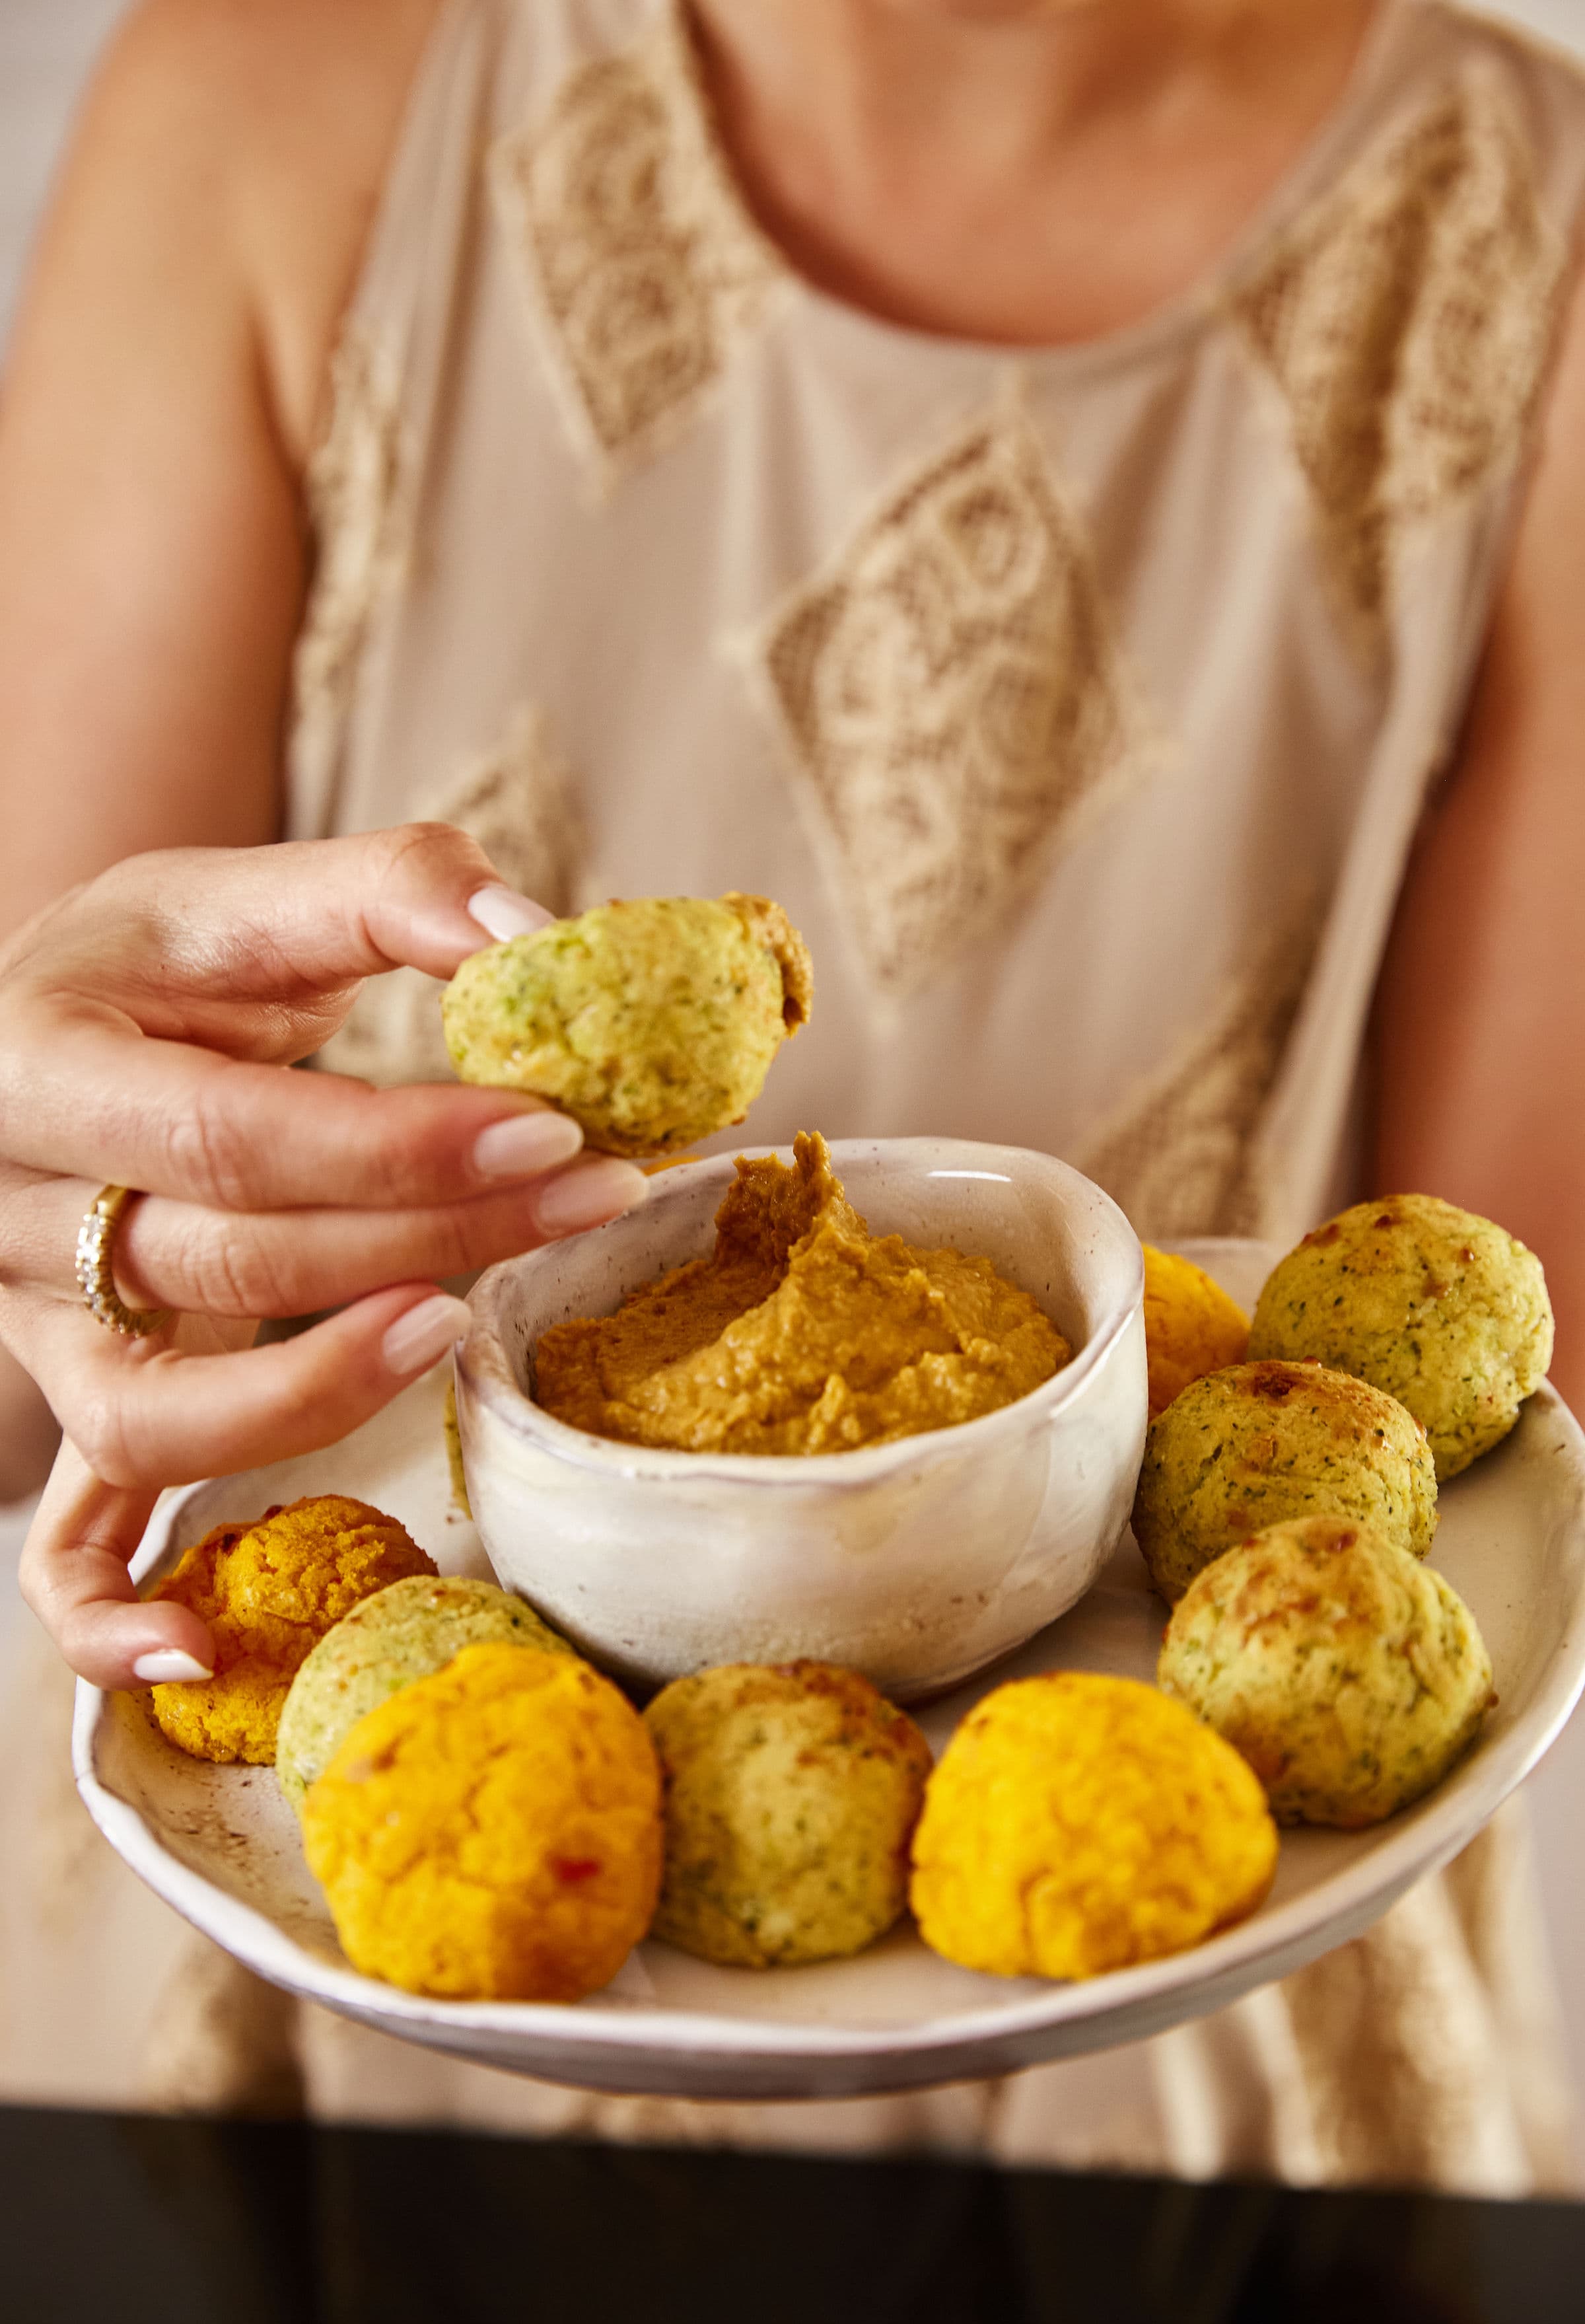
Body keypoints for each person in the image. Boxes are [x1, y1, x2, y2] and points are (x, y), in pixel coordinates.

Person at [1, 0, 1582, 2187]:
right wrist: (65, 1239)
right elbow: (26, 1393)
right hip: (281, 2018)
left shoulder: (1536, 252)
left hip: (1187, 2070)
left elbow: (1491, 1457)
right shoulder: (271, 97)